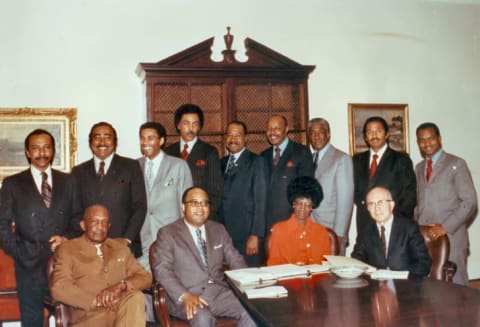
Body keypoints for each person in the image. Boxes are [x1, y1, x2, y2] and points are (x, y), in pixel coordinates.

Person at [0, 129, 81, 326]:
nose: (41, 153)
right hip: (28, 265)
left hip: (63, 264)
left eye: (46, 147)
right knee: (32, 320)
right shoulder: (13, 184)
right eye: (36, 148)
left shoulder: (69, 181)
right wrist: (19, 251)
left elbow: (78, 219)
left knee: (73, 318)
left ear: (53, 150)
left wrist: (66, 239)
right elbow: (1, 224)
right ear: (28, 152)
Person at [151, 187, 256, 327]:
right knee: (203, 318)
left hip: (219, 294)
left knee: (253, 310)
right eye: (194, 203)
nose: (200, 207)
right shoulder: (168, 233)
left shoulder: (218, 230)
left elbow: (235, 260)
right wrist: (185, 295)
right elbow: (161, 270)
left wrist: (250, 282)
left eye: (205, 203)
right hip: (186, 296)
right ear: (183, 207)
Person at [50, 205, 152, 327]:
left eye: (104, 222)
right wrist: (96, 301)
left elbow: (145, 277)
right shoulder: (68, 249)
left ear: (109, 227)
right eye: (95, 221)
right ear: (83, 225)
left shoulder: (120, 248)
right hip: (89, 319)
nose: (100, 227)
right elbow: (59, 287)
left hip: (123, 317)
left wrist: (121, 285)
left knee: (136, 297)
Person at [137, 121, 193, 322]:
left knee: (170, 291)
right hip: (143, 241)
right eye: (142, 138)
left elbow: (187, 206)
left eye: (150, 138)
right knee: (147, 295)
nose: (145, 142)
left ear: (161, 140)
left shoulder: (178, 166)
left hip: (171, 240)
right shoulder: (136, 166)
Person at [414, 122, 477, 285]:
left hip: (451, 236)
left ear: (439, 138)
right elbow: (419, 201)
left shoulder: (456, 164)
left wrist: (445, 227)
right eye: (422, 140)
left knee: (456, 285)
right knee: (431, 288)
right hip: (426, 239)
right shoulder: (419, 168)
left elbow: (470, 201)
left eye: (431, 138)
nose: (427, 143)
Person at [72, 122, 147, 257]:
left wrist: (127, 239)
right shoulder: (78, 172)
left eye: (107, 137)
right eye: (97, 137)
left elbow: (140, 206)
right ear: (90, 143)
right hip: (89, 248)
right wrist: (85, 237)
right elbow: (75, 210)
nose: (102, 142)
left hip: (124, 246)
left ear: (115, 142)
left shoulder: (131, 167)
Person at [353, 116, 417, 233]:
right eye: (370, 132)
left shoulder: (401, 159)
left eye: (378, 131)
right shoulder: (357, 160)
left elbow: (410, 195)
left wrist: (392, 218)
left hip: (394, 223)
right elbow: (354, 191)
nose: (374, 135)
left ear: (387, 134)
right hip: (365, 223)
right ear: (365, 137)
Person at [351, 186, 431, 278]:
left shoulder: (409, 228)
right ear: (368, 209)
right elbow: (356, 261)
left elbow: (424, 264)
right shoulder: (366, 231)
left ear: (392, 205)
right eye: (371, 204)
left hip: (406, 287)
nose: (377, 208)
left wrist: (396, 274)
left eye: (381, 202)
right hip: (375, 287)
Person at [219, 121, 267, 266]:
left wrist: (255, 235)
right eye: (230, 135)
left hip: (247, 236)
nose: (233, 139)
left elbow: (261, 201)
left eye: (237, 135)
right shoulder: (221, 162)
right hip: (224, 235)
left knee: (249, 278)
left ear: (245, 138)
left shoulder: (256, 161)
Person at [164, 104, 222, 220]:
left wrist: (206, 219)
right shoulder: (167, 152)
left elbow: (216, 192)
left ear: (199, 127)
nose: (191, 128)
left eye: (195, 124)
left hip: (199, 217)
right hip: (171, 219)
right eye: (186, 123)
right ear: (178, 125)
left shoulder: (209, 152)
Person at [308, 118, 354, 255]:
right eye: (312, 133)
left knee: (332, 275)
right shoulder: (308, 159)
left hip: (332, 232)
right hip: (311, 229)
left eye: (320, 132)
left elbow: (345, 202)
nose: (316, 136)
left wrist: (339, 235)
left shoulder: (341, 159)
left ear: (328, 134)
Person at [261, 115, 314, 231]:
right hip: (266, 224)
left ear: (286, 129)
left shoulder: (301, 152)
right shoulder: (263, 156)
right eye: (269, 128)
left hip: (292, 223)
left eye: (276, 128)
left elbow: (305, 191)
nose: (272, 132)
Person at [267, 176, 331, 266]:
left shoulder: (321, 232)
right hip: (288, 278)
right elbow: (273, 263)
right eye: (299, 204)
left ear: (312, 207)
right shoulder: (279, 230)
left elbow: (327, 264)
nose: (302, 209)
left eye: (307, 205)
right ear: (293, 204)